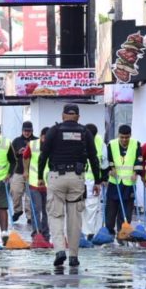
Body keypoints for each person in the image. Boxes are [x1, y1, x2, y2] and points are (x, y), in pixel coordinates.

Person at [37, 103, 102, 267]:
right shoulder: (85, 131)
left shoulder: (54, 130)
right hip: (77, 178)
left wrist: (39, 177)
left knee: (55, 215)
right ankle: (73, 256)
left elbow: (43, 155)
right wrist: (98, 181)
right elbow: (93, 157)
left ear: (63, 115)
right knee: (75, 219)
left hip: (56, 178)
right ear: (78, 117)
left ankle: (59, 250)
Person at [104, 125, 142, 235]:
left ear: (130, 135)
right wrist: (111, 169)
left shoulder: (136, 144)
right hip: (114, 182)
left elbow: (139, 160)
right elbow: (108, 159)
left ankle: (123, 234)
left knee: (126, 210)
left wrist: (136, 173)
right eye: (122, 137)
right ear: (118, 135)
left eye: (127, 137)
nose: (124, 140)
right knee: (111, 210)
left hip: (129, 183)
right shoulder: (111, 144)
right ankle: (109, 232)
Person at [21, 127, 50, 240]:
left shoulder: (53, 145)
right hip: (34, 182)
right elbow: (25, 157)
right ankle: (36, 233)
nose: (45, 140)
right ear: (41, 136)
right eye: (44, 138)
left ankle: (46, 233)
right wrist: (25, 171)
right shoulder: (32, 145)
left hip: (48, 183)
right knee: (36, 208)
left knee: (47, 210)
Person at [10, 121, 37, 224]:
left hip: (32, 173)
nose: (27, 133)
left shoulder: (36, 141)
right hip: (18, 171)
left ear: (32, 131)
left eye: (29, 131)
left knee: (30, 196)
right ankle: (18, 211)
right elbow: (11, 156)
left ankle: (30, 216)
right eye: (25, 130)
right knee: (15, 192)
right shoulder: (16, 141)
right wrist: (18, 153)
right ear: (22, 130)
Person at [82, 124, 106, 239]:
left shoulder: (100, 143)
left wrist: (102, 180)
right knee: (86, 206)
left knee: (88, 206)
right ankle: (85, 232)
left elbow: (104, 163)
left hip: (90, 180)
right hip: (82, 179)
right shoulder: (100, 142)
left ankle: (86, 233)